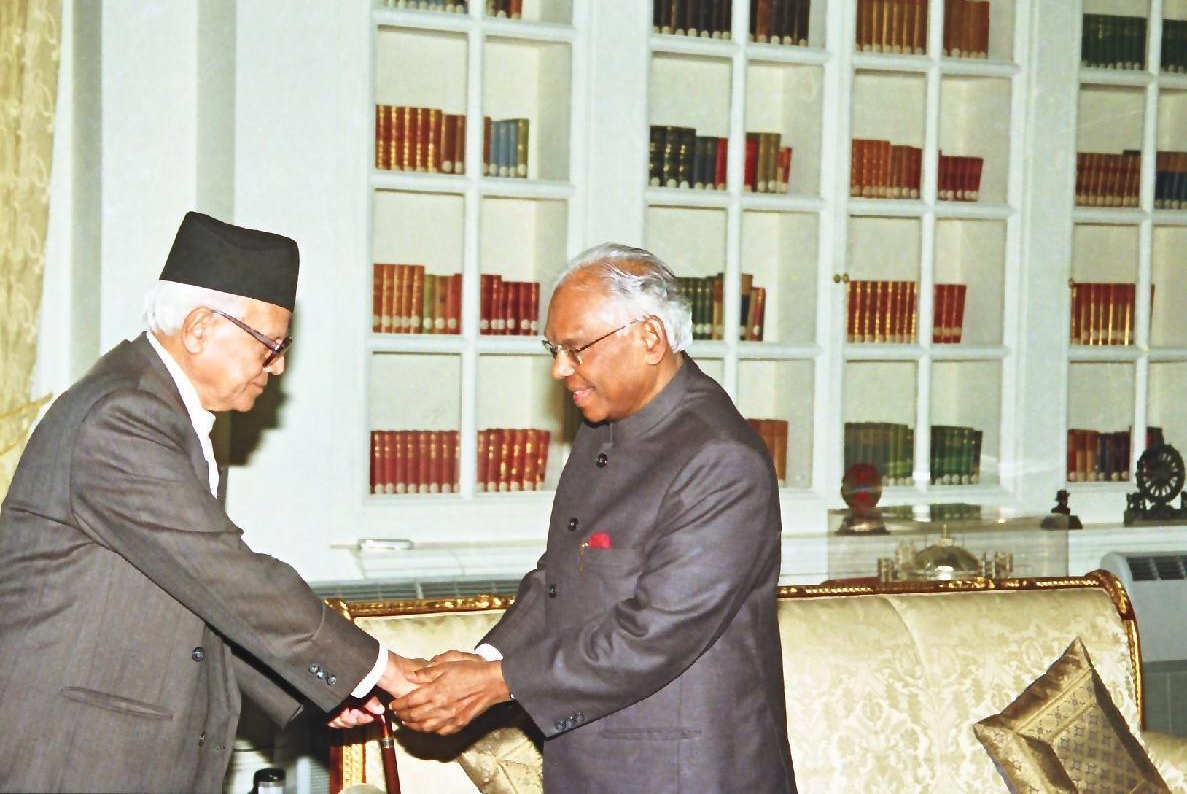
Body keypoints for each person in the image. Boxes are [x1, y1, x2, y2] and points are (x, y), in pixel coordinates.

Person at [0, 212, 419, 793]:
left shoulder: (156, 406)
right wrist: (378, 667)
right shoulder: (122, 417)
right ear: (199, 328)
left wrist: (315, 687)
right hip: (74, 752)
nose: (278, 367)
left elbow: (190, 593)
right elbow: (227, 576)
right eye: (270, 346)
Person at [392, 244, 796, 792]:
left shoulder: (720, 459)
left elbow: (654, 633)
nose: (560, 370)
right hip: (589, 762)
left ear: (649, 338)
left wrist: (497, 681)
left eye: (576, 349)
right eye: (554, 349)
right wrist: (486, 656)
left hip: (684, 774)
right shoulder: (602, 428)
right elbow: (560, 577)